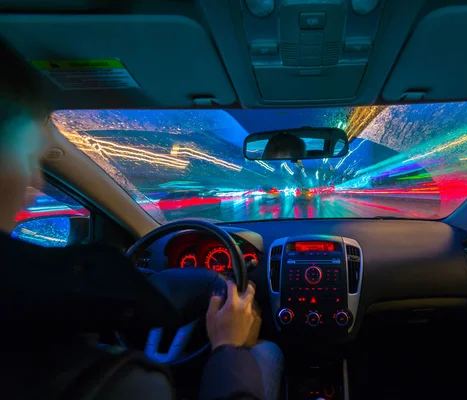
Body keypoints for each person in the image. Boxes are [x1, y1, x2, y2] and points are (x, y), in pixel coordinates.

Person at [0, 37, 282, 399]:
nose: (36, 180)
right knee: (268, 352)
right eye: (30, 154)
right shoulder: (120, 383)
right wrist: (227, 346)